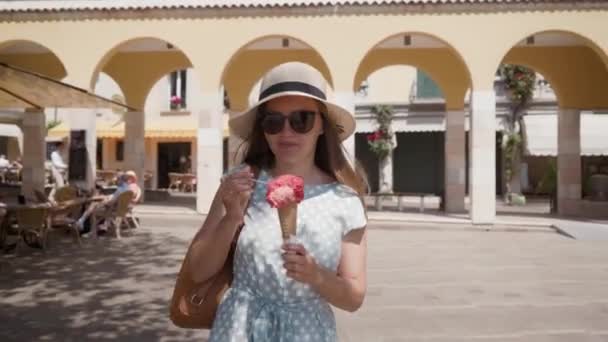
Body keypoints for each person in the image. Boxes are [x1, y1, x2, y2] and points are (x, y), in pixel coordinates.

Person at [185, 62, 368, 341]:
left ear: (322, 125)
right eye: (273, 121)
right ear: (263, 129)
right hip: (238, 329)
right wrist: (231, 218)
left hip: (307, 332)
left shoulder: (345, 201)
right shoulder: (240, 182)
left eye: (301, 120)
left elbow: (353, 298)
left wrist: (316, 275)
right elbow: (199, 271)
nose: (286, 132)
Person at [75, 170, 140, 233]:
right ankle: (82, 221)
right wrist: (107, 198)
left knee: (92, 205)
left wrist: (104, 201)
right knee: (95, 203)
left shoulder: (120, 189)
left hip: (111, 210)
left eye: (117, 179)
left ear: (121, 180)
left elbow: (111, 202)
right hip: (120, 209)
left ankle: (85, 224)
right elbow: (118, 198)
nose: (115, 181)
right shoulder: (128, 189)